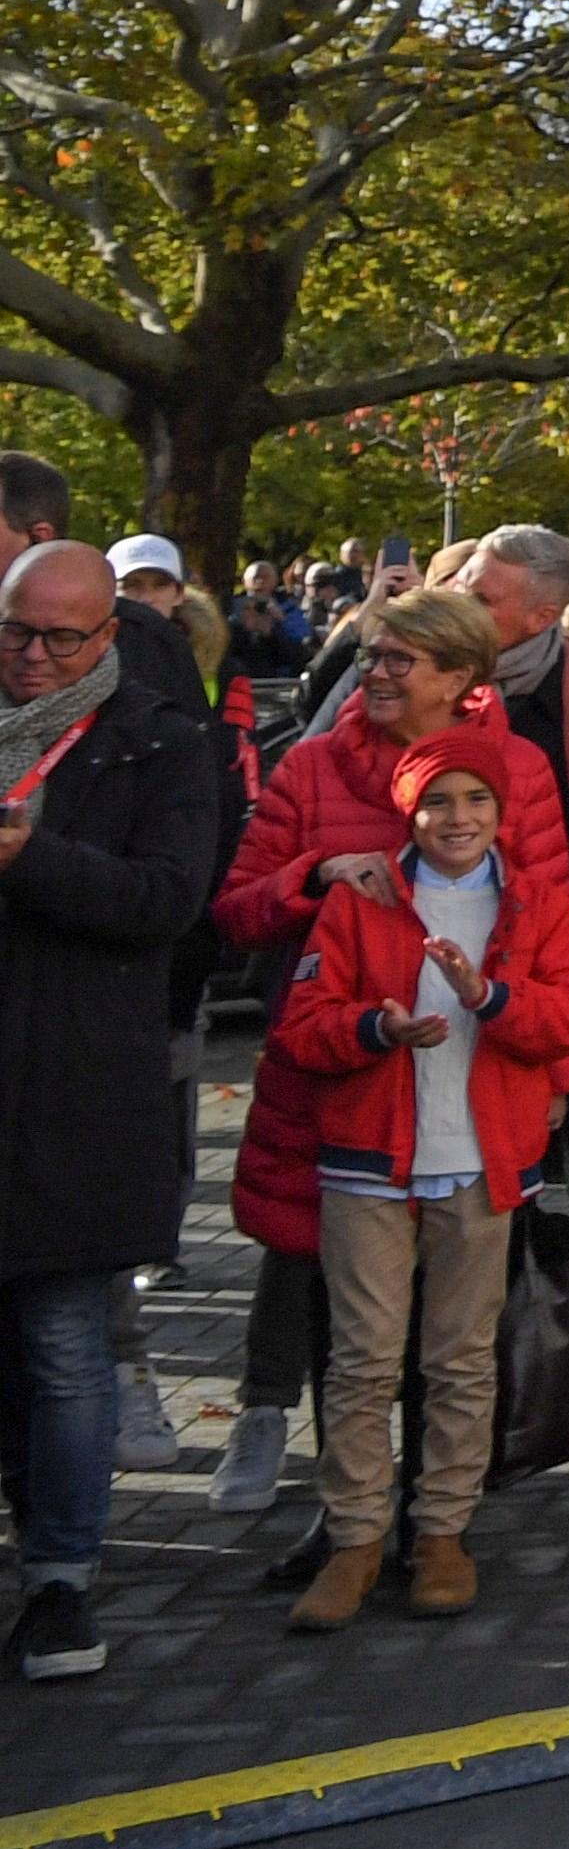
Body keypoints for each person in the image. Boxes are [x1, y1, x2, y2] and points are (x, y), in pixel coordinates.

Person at [210, 587, 569, 1538]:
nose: (370, 675)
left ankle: (440, 1519)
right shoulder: (315, 768)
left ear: (460, 679)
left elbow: (550, 927)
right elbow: (237, 908)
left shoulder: (518, 771)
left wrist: (559, 1086)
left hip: (475, 1079)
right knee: (347, 1325)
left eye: (395, 661)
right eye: (370, 655)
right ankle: (348, 1528)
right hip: (337, 1078)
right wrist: (316, 875)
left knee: (453, 1331)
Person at [269, 743, 569, 1627]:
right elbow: (303, 1025)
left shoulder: (532, 897)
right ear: (407, 815)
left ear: (500, 809)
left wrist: (490, 999)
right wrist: (377, 1026)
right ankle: (356, 1541)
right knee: (362, 1362)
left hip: (484, 1159)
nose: (457, 817)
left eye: (475, 799)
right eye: (437, 802)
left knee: (460, 1359)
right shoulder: (360, 898)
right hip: (368, 1160)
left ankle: (443, 1532)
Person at [0, 537, 223, 1682]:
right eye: (15, 633)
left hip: (85, 1094)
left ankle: (61, 1583)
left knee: (66, 1347)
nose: (33, 659)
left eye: (59, 638)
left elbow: (168, 900)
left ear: (109, 636)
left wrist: (30, 854)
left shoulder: (162, 742)